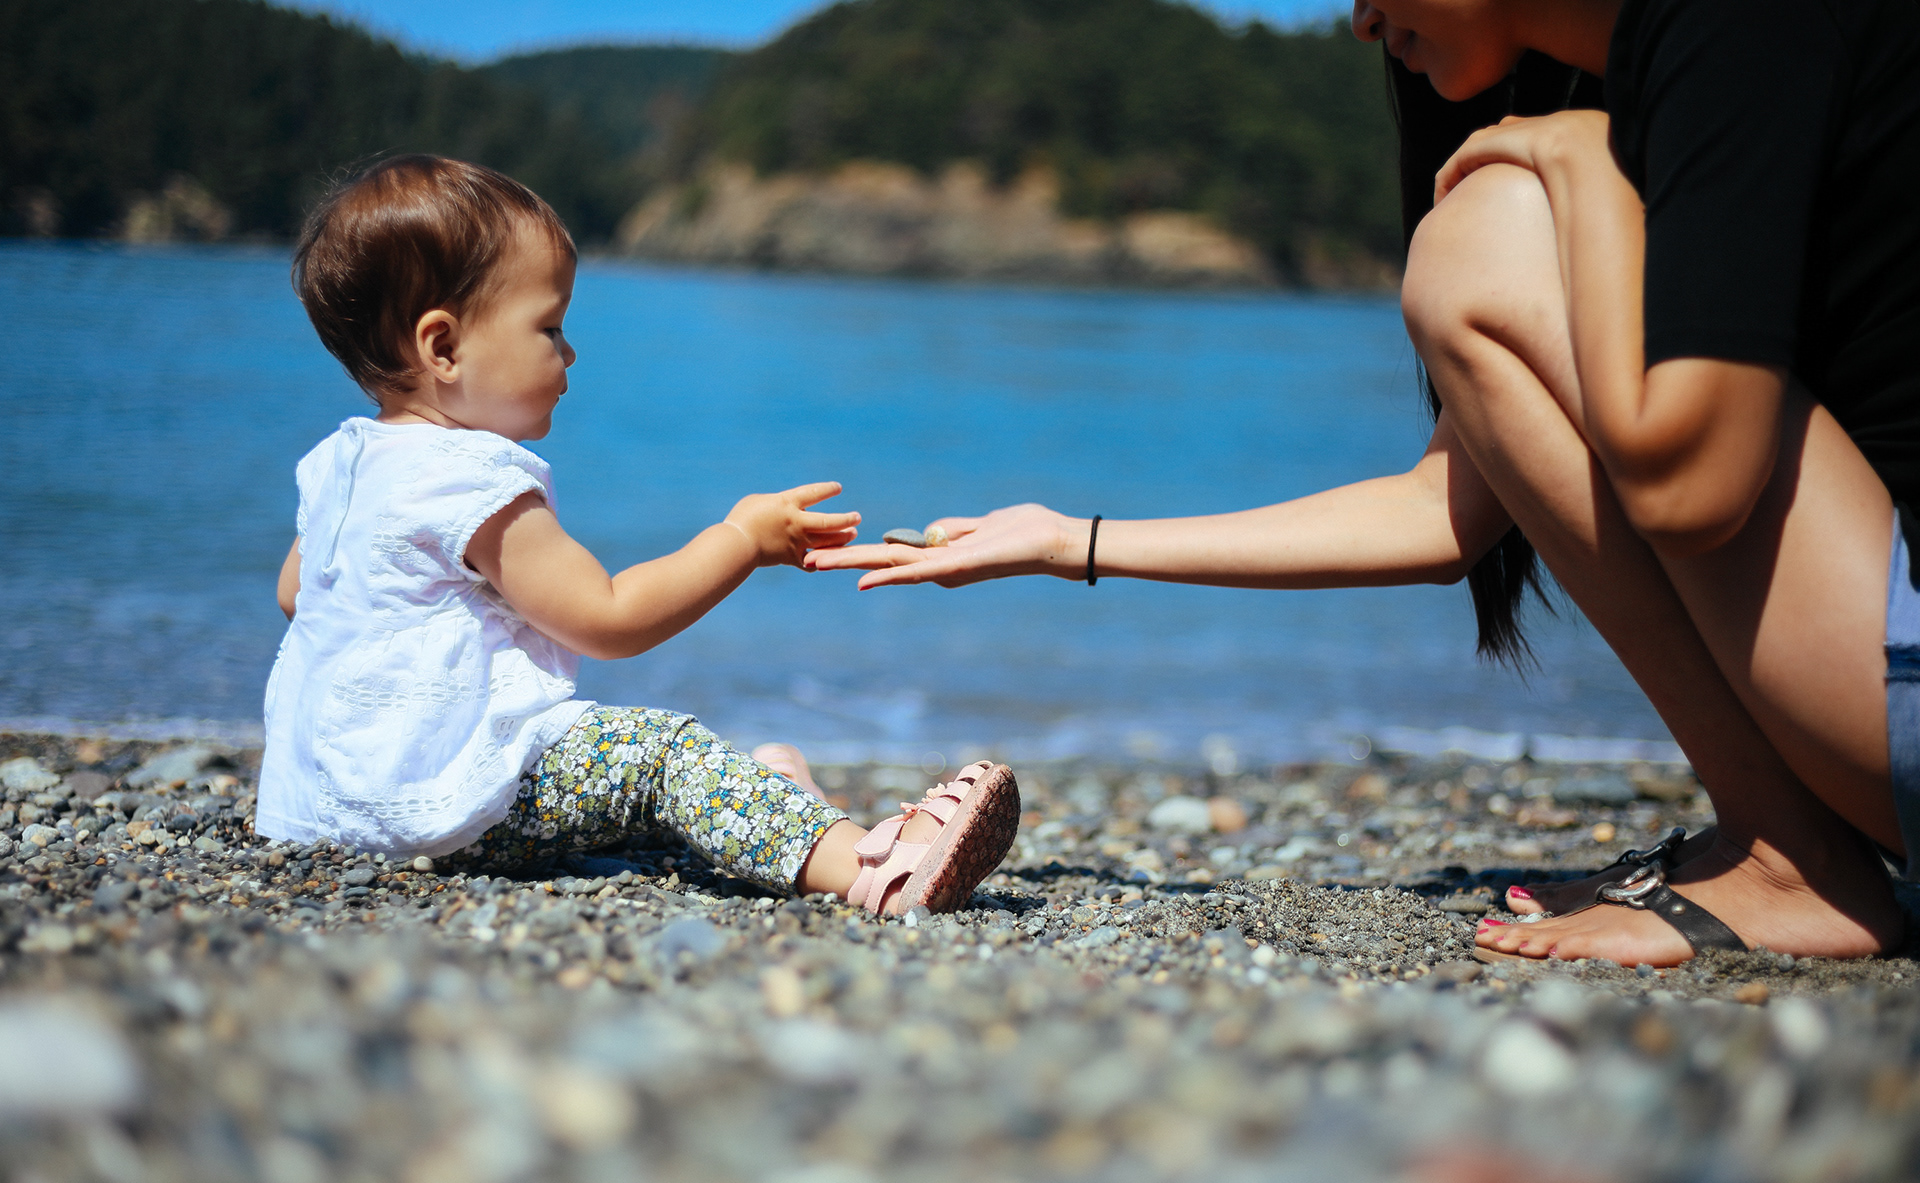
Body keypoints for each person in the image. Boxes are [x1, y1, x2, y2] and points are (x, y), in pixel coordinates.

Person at [811, 0, 1920, 965]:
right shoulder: (1644, 73)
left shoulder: (1736, 28)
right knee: (1493, 227)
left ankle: (1788, 858)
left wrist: (1584, 169)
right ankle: (1785, 846)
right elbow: (1444, 512)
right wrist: (1070, 541)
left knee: (1486, 232)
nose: (1358, 19)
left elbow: (1692, 490)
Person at [256, 154, 1020, 917]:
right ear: (444, 347)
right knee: (664, 759)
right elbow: (609, 618)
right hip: (443, 806)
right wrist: (741, 539)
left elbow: (298, 595)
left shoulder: (342, 464)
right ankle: (873, 866)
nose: (569, 353)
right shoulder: (469, 479)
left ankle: (784, 811)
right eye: (549, 327)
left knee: (635, 799)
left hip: (319, 809)